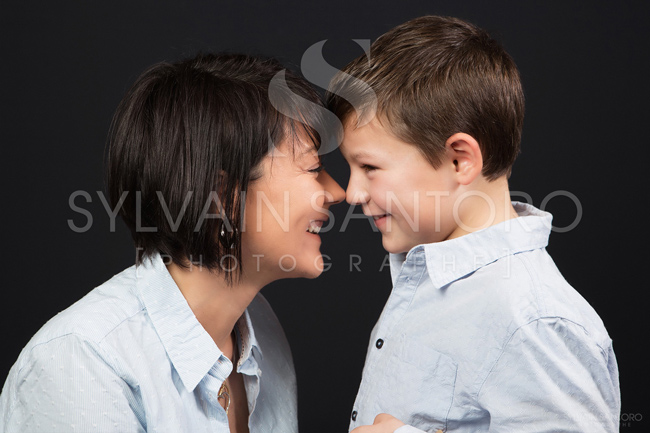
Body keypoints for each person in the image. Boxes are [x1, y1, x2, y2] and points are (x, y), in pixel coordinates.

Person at [0, 53, 344, 432]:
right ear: (223, 195)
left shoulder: (260, 329)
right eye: (314, 169)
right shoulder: (82, 364)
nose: (338, 192)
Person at [327, 15, 620, 432]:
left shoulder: (534, 321)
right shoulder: (429, 278)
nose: (352, 193)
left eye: (369, 167)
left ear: (459, 160)